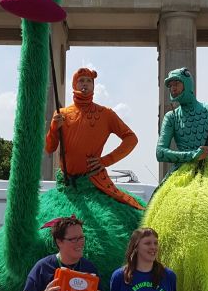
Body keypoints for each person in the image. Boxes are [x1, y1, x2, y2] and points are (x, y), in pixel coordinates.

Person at [45, 68, 142, 210]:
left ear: (93, 86)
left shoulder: (106, 114)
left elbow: (131, 139)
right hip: (66, 185)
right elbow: (50, 148)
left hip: (94, 182)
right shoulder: (61, 114)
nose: (85, 83)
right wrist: (54, 128)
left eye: (89, 81)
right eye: (81, 80)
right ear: (74, 85)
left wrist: (106, 161)